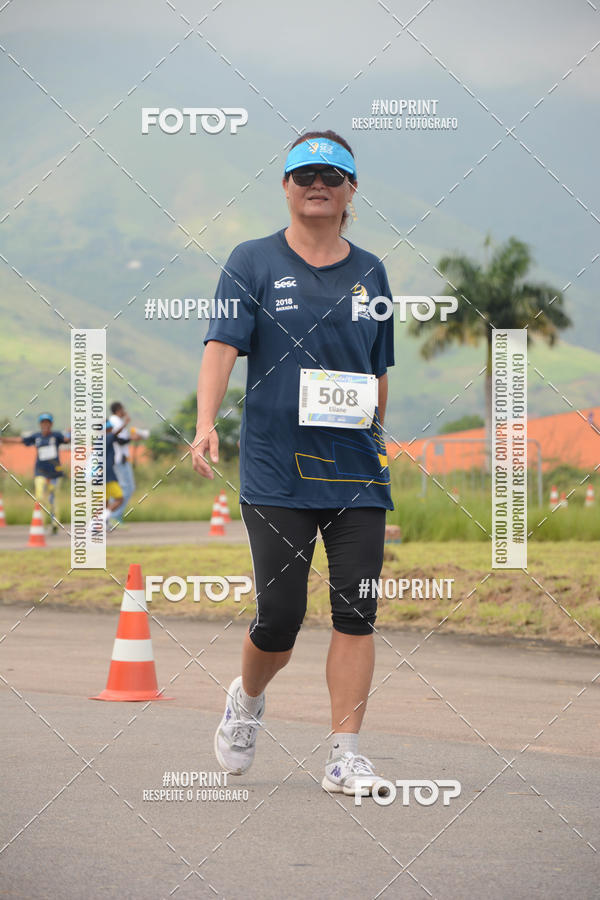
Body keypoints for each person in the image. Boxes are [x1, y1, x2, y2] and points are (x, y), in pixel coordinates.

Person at [192, 130, 395, 796]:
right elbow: (222, 346)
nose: (318, 184)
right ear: (285, 185)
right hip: (277, 470)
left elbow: (377, 368)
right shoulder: (250, 261)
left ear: (351, 191)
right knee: (279, 616)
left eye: (331, 177)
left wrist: (379, 439)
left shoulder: (372, 271)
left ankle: (344, 755)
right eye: (304, 173)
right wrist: (205, 426)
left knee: (356, 611)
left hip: (355, 472)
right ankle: (246, 701)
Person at [2, 413, 70, 533]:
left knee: (53, 499)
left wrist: (71, 432)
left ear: (51, 424)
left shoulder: (56, 436)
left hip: (55, 473)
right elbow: (20, 440)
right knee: (39, 497)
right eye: (43, 423)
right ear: (40, 424)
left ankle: (55, 523)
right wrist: (4, 439)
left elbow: (66, 440)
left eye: (47, 423)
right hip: (40, 472)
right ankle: (41, 522)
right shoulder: (36, 437)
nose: (45, 425)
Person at [108, 402, 147, 526]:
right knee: (127, 488)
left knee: (121, 488)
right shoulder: (116, 421)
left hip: (120, 459)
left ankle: (111, 516)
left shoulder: (116, 421)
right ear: (119, 410)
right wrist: (132, 438)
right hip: (120, 460)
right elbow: (118, 440)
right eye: (123, 409)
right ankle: (114, 516)